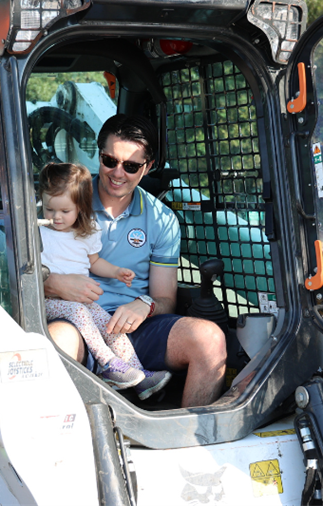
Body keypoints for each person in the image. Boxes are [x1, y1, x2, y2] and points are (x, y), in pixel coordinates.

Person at [45, 114, 227, 408]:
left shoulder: (162, 220)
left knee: (210, 339)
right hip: (75, 320)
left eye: (130, 166)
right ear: (98, 154)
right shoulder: (66, 203)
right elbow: (22, 270)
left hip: (133, 330)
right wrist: (53, 284)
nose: (118, 173)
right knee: (55, 342)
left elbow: (165, 297)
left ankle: (190, 442)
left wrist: (145, 304)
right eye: (109, 161)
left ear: (148, 167)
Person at [38, 161, 172, 397]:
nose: (56, 217)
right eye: (50, 210)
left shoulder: (85, 232)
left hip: (81, 302)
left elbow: (95, 262)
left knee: (107, 323)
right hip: (49, 303)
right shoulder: (37, 232)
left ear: (80, 208)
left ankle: (139, 374)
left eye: (64, 211)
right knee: (80, 313)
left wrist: (116, 272)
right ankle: (109, 364)